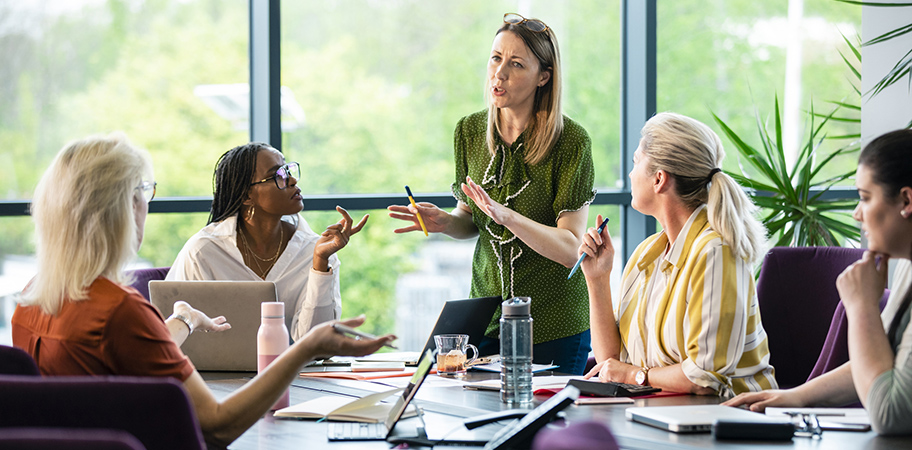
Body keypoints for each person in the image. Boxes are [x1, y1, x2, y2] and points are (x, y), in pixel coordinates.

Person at [11, 133, 394, 448]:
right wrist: (309, 347)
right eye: (143, 191)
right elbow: (216, 426)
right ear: (123, 208)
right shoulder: (120, 312)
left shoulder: (29, 304)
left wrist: (182, 319)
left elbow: (130, 359)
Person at [388, 13, 596, 374]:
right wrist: (446, 223)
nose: (499, 73)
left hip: (554, 323)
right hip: (488, 319)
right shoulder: (468, 132)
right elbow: (470, 220)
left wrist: (508, 216)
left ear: (543, 76)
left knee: (546, 428)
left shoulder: (571, 142)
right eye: (496, 58)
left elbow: (570, 250)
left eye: (516, 64)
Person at [725, 129, 912, 434]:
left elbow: (890, 414)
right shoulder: (907, 266)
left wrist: (862, 306)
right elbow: (880, 365)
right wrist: (793, 397)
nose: (857, 215)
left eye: (865, 198)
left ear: (906, 200)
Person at [578, 112, 777, 397]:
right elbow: (611, 360)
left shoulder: (715, 254)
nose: (631, 173)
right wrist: (598, 279)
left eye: (636, 162)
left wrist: (637, 376)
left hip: (726, 422)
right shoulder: (647, 253)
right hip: (659, 413)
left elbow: (703, 377)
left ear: (659, 179)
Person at [166, 143, 368, 341]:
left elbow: (316, 342)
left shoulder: (315, 249)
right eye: (278, 175)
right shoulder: (204, 251)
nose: (292, 180)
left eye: (288, 170)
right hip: (215, 375)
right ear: (246, 196)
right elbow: (182, 338)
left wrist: (320, 263)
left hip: (297, 374)